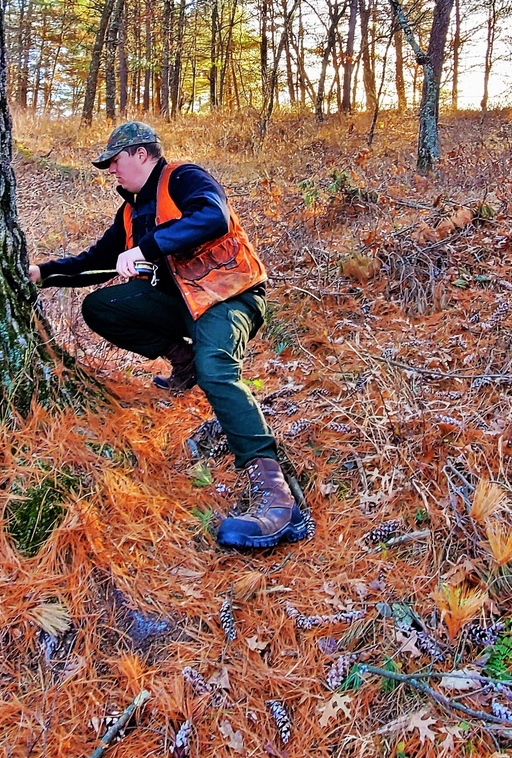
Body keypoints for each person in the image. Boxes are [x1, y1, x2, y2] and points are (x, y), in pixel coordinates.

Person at [29, 121, 310, 551]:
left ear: (141, 154)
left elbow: (213, 216)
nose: (111, 171)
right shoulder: (130, 212)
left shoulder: (182, 177)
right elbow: (96, 262)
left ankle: (276, 498)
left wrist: (145, 249)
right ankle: (184, 360)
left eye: (115, 161)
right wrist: (43, 274)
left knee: (218, 370)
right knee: (102, 306)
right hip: (181, 303)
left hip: (227, 296)